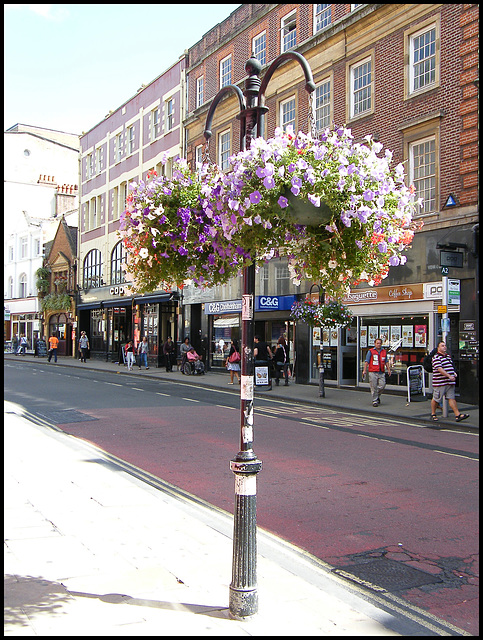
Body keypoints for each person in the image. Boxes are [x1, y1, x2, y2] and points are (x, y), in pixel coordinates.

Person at [431, 341, 469, 422]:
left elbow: (450, 366)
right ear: (438, 348)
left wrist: (453, 373)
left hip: (449, 382)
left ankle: (457, 415)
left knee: (451, 398)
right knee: (436, 399)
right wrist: (449, 376)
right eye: (442, 346)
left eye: (445, 345)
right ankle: (433, 414)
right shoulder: (436, 357)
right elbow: (439, 369)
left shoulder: (447, 357)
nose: (444, 347)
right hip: (440, 382)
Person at [362, 338, 391, 407]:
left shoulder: (384, 351)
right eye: (377, 343)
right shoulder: (371, 351)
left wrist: (388, 369)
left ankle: (376, 396)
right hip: (373, 371)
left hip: (381, 372)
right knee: (373, 386)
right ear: (375, 344)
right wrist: (364, 370)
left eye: (380, 343)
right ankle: (375, 400)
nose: (378, 345)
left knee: (382, 385)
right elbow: (367, 361)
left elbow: (386, 361)